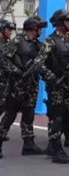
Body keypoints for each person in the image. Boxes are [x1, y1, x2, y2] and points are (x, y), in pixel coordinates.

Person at [33, 9, 69, 164]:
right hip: (56, 86)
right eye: (67, 21)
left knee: (67, 116)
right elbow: (38, 64)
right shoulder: (50, 41)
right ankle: (55, 148)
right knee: (56, 117)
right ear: (60, 23)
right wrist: (51, 77)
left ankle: (53, 146)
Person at [0, 16, 49, 159]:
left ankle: (29, 144)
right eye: (39, 28)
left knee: (29, 114)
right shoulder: (18, 41)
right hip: (16, 85)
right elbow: (3, 59)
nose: (40, 30)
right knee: (10, 115)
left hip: (31, 85)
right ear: (33, 28)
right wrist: (16, 72)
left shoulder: (38, 45)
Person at [0, 19, 16, 120]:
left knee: (4, 106)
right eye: (9, 29)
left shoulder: (8, 44)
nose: (10, 32)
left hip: (6, 81)